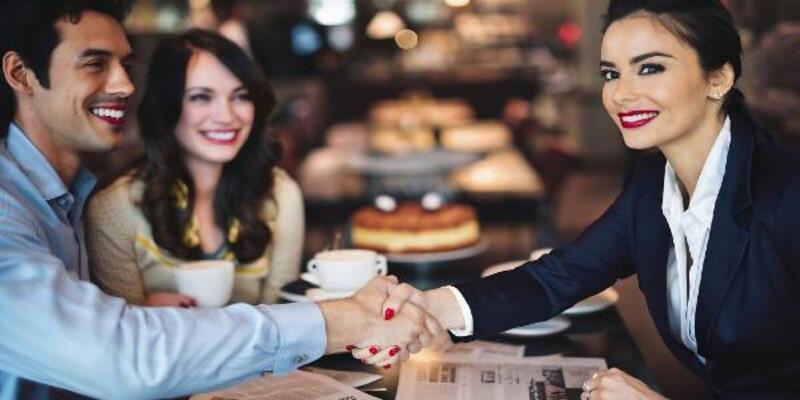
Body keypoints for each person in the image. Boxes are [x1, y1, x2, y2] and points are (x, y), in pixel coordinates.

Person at [359, 0, 800, 398]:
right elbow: (559, 275)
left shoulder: (787, 194)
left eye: (650, 68)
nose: (621, 93)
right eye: (611, 72)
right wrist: (427, 307)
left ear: (718, 77)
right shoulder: (653, 180)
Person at [0, 1, 439, 399]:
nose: (125, 85)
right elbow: (121, 357)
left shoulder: (66, 197)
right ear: (20, 74)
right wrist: (335, 321)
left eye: (126, 65)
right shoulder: (46, 206)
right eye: (94, 63)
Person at [86, 29, 301, 307]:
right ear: (166, 106)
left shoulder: (281, 195)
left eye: (240, 96)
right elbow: (120, 338)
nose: (226, 116)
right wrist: (144, 315)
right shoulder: (115, 210)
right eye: (201, 97)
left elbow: (287, 325)